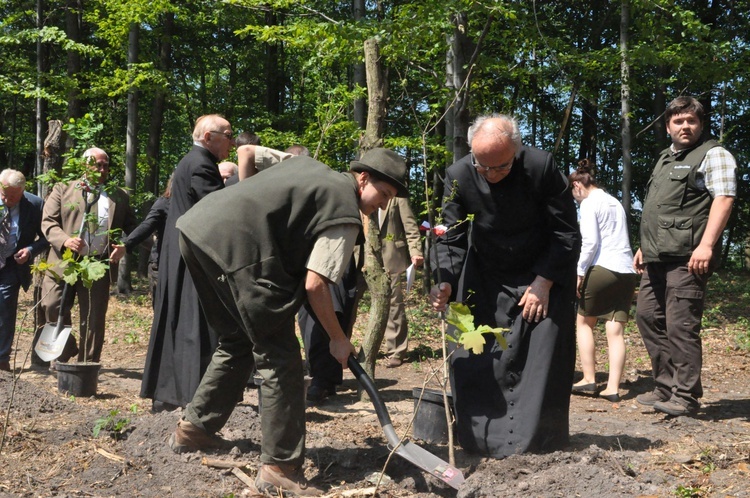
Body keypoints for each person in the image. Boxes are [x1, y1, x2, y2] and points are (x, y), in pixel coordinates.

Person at [168, 148, 409, 496]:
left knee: (237, 340)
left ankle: (194, 430)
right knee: (280, 358)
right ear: (363, 178)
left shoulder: (306, 164)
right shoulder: (344, 211)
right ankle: (280, 466)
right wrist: (338, 338)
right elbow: (316, 284)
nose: (384, 204)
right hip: (241, 256)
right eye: (384, 194)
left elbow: (249, 153)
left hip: (198, 230)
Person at [429, 114, 580, 458]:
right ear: (472, 155)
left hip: (543, 271)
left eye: (501, 167)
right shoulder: (458, 176)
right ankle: (482, 440)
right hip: (487, 273)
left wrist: (544, 282)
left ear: (516, 150)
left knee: (543, 357)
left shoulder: (541, 167)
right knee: (479, 353)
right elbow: (449, 238)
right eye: (484, 167)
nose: (492, 175)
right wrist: (445, 282)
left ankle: (540, 442)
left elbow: (566, 231)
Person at [633, 96, 736, 417]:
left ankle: (686, 395)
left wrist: (706, 245)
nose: (685, 126)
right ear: (668, 127)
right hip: (656, 256)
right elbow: (659, 209)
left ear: (700, 124)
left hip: (688, 257)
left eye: (691, 120)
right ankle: (665, 386)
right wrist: (643, 246)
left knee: (681, 326)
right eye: (678, 121)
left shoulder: (713, 155)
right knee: (648, 317)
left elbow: (724, 198)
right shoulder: (665, 158)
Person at [141, 114, 234, 412]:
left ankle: (170, 392)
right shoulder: (202, 165)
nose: (231, 141)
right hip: (191, 257)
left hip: (178, 252)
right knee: (194, 324)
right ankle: (192, 394)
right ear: (209, 137)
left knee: (176, 320)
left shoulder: (189, 161)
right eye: (228, 135)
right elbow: (218, 212)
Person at [35, 147, 137, 364]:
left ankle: (87, 365)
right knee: (51, 306)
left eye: (105, 165)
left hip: (98, 265)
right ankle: (66, 348)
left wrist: (125, 245)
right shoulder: (63, 189)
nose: (101, 169)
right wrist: (65, 240)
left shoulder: (119, 195)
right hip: (64, 263)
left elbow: (133, 228)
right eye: (96, 164)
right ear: (83, 166)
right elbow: (48, 222)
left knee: (93, 318)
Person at [568, 159, 637, 402]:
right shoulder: (613, 201)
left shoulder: (589, 203)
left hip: (603, 267)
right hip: (627, 270)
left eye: (572, 193)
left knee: (584, 322)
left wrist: (579, 271)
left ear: (577, 185)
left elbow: (591, 242)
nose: (574, 199)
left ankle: (589, 379)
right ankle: (613, 388)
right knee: (615, 329)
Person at [0, 170, 48, 372]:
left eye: (12, 196)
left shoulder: (35, 205)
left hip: (12, 264)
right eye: (3, 194)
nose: (7, 200)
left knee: (5, 309)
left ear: (22, 191)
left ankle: (2, 360)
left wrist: (30, 250)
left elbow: (48, 236)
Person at [380, 197, 424, 368]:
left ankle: (396, 350)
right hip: (365, 256)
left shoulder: (397, 197)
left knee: (393, 304)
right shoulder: (361, 193)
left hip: (393, 256)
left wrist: (415, 250)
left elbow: (410, 226)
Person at [123, 177, 172, 304]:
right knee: (162, 306)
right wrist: (127, 244)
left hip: (186, 265)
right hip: (161, 264)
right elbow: (147, 226)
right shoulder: (164, 203)